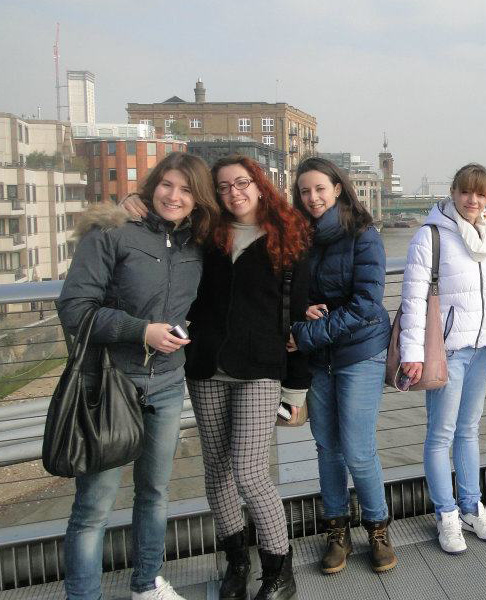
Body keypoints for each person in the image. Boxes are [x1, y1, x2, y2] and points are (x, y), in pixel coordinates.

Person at [57, 152, 219, 600]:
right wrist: (140, 331)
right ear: (151, 187)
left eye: (186, 189)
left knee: (154, 493)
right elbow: (74, 308)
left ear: (198, 199)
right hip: (111, 386)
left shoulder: (197, 244)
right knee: (93, 506)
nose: (174, 195)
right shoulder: (113, 233)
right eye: (167, 184)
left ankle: (146, 583)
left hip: (167, 386)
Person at [184, 156, 309, 600]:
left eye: (242, 183)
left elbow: (299, 321)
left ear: (260, 186)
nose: (234, 192)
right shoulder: (204, 236)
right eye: (223, 187)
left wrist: (296, 387)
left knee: (249, 471)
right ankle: (236, 562)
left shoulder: (287, 237)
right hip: (205, 368)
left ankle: (279, 567)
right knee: (216, 471)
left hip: (260, 369)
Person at [290, 157, 397, 574]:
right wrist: (301, 314)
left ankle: (376, 526)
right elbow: (288, 294)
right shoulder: (296, 237)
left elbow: (367, 305)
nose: (313, 198)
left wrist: (306, 334)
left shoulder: (363, 235)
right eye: (304, 191)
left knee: (357, 448)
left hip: (359, 352)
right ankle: (336, 530)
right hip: (319, 358)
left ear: (337, 189)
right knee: (327, 448)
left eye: (320, 189)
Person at [399, 163, 486, 554]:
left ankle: (471, 506)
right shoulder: (431, 236)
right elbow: (412, 300)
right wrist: (413, 355)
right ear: (454, 193)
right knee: (440, 435)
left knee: (469, 431)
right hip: (445, 352)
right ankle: (445, 514)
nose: (472, 200)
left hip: (479, 350)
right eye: (465, 192)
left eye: (480, 194)